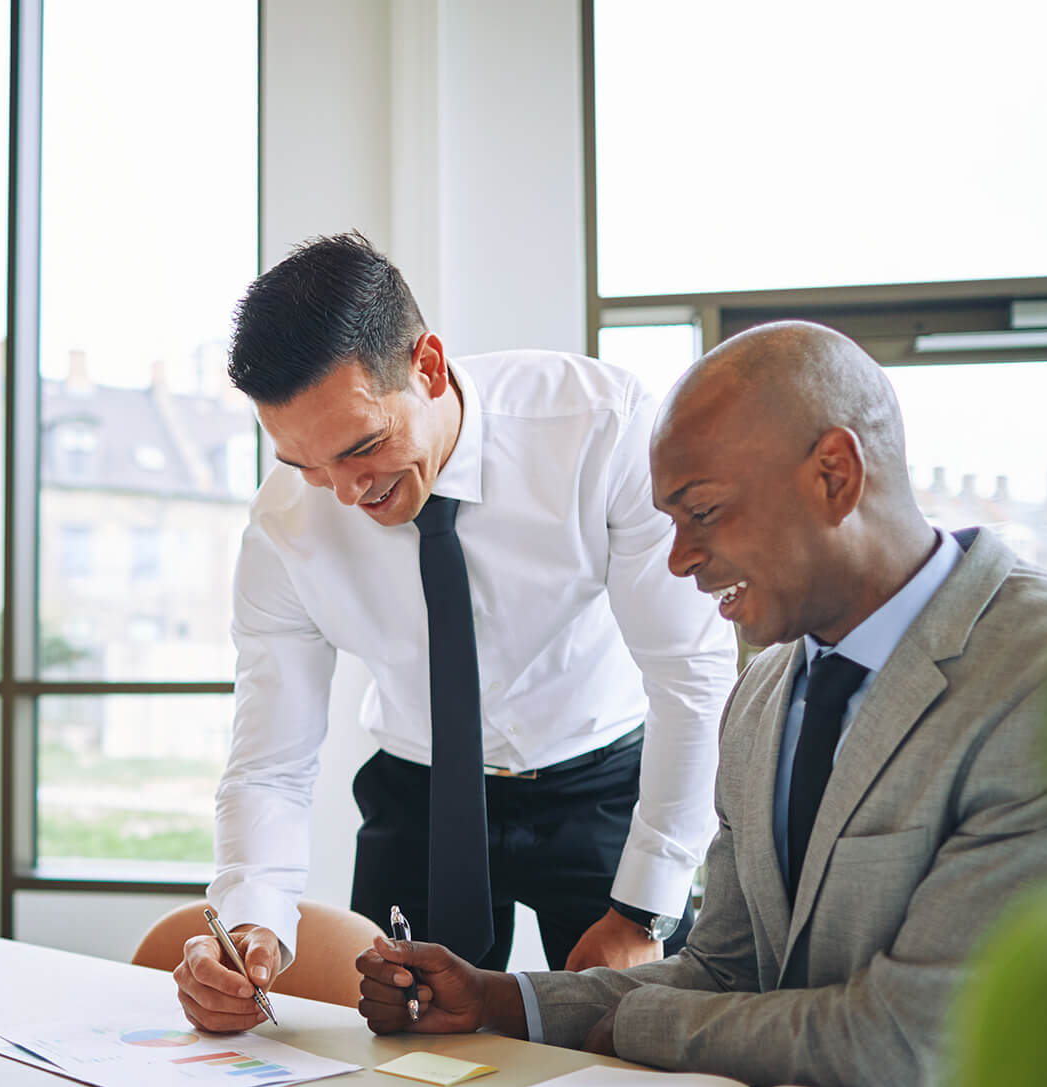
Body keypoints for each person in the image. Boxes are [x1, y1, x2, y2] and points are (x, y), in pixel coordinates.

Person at [355, 321, 1047, 1087]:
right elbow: (726, 973)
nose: (678, 559)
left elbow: (920, 1049)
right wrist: (500, 999)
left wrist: (641, 1024)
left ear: (835, 475)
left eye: (703, 512)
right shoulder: (765, 693)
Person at [176, 232, 737, 1034]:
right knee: (407, 1049)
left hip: (600, 784)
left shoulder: (598, 430)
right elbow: (271, 760)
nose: (346, 491)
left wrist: (645, 911)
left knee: (637, 1041)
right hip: (422, 792)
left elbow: (693, 677)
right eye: (307, 464)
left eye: (364, 445)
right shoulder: (284, 527)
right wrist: (251, 925)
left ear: (428, 367)